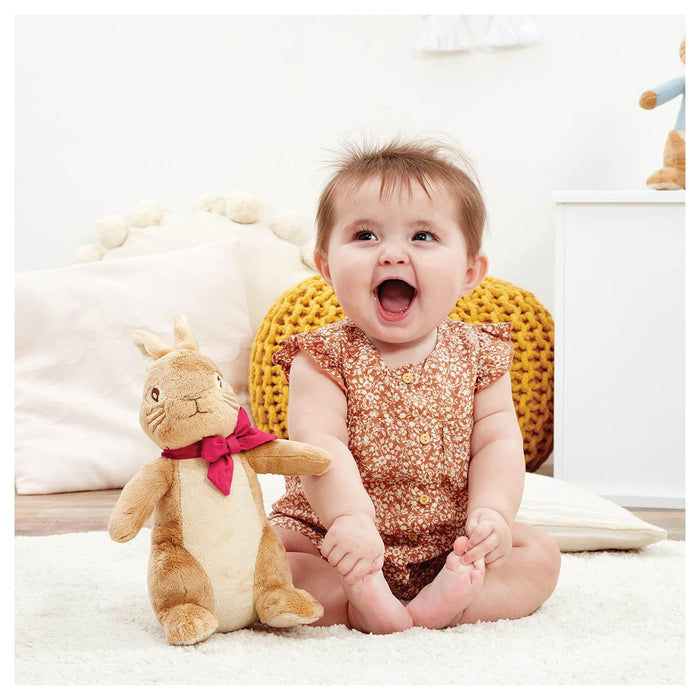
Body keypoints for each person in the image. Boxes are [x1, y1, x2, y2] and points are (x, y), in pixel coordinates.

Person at [268, 137, 561, 634]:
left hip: (450, 544)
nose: (392, 254)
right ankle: (358, 601)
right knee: (268, 562)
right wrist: (350, 519)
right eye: (365, 235)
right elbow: (319, 446)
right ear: (326, 267)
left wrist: (493, 514)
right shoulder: (320, 357)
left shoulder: (479, 353)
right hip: (333, 540)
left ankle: (453, 600)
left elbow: (498, 442)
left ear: (469, 272)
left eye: (422, 236)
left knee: (539, 554)